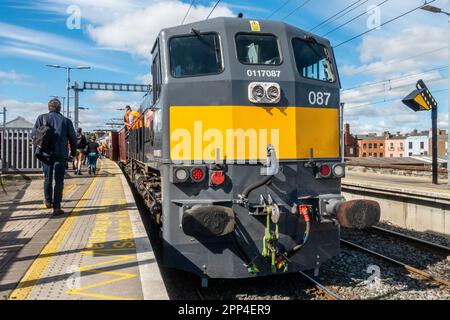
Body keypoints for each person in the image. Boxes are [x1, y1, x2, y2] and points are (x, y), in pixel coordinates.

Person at [32, 98, 77, 216]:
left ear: (48, 108)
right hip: (60, 155)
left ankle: (48, 202)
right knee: (59, 181)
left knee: (47, 178)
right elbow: (73, 139)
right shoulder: (66, 121)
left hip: (45, 154)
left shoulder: (41, 118)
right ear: (59, 108)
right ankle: (57, 207)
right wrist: (72, 153)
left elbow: (33, 135)